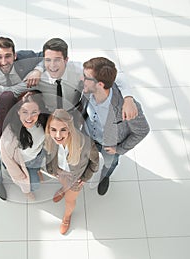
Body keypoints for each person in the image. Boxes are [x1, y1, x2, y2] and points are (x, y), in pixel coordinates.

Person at [81, 57, 150, 196]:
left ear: (100, 84)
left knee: (109, 163)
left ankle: (105, 176)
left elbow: (142, 130)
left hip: (110, 146)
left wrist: (120, 149)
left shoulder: (128, 107)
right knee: (87, 157)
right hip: (89, 137)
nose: (82, 79)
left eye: (85, 77)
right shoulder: (87, 91)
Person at [36, 38, 138, 119]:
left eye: (57, 60)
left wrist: (128, 98)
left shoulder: (78, 70)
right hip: (48, 114)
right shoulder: (38, 77)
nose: (52, 66)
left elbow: (118, 74)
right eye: (48, 60)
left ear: (66, 60)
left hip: (74, 113)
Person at [44, 109, 99, 235]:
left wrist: (85, 178)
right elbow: (48, 154)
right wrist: (52, 170)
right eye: (53, 130)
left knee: (70, 200)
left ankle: (66, 217)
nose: (58, 135)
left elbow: (95, 163)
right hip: (60, 172)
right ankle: (63, 189)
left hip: (76, 177)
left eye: (63, 129)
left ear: (69, 128)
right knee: (64, 185)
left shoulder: (85, 144)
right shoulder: (50, 140)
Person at [0, 91, 48, 201]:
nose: (29, 117)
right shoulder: (9, 137)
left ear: (39, 111)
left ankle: (37, 170)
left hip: (37, 155)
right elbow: (9, 163)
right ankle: (26, 192)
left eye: (34, 112)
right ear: (18, 112)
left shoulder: (43, 121)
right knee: (34, 185)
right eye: (25, 112)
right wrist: (22, 180)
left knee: (37, 169)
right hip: (23, 163)